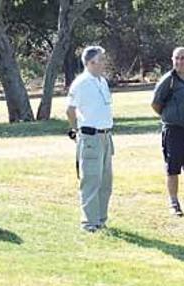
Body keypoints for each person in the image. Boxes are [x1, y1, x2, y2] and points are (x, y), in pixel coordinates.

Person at [66, 45, 114, 232]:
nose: (104, 63)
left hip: (105, 135)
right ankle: (89, 223)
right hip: (91, 136)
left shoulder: (101, 81)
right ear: (90, 62)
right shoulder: (82, 83)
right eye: (101, 60)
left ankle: (100, 219)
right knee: (91, 180)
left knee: (105, 181)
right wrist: (76, 129)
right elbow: (70, 109)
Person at [151, 47, 184, 216]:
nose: (179, 61)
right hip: (173, 131)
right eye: (176, 58)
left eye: (183, 58)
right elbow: (156, 103)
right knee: (173, 168)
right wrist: (170, 115)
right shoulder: (168, 80)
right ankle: (174, 202)